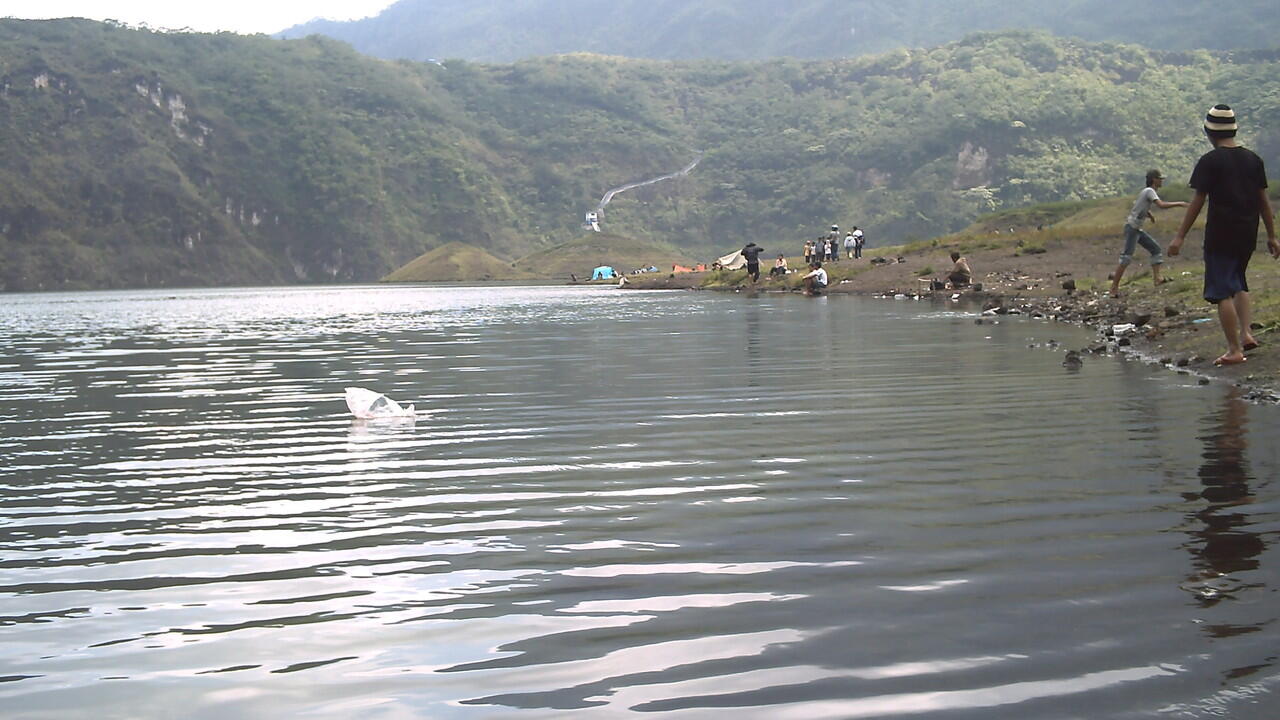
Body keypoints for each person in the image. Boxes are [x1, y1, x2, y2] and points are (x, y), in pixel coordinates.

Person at [1169, 104, 1279, 366]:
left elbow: (1197, 201)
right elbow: (1264, 201)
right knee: (1239, 282)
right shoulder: (1253, 159)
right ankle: (1246, 334)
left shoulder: (1210, 161)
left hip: (1221, 234)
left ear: (1209, 132)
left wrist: (1179, 236)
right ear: (1235, 129)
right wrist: (1272, 236)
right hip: (1247, 233)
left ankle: (1233, 349)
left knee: (1222, 291)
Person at [1108, 169, 1188, 297]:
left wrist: (1149, 214)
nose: (1162, 181)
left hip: (1136, 228)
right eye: (1160, 178)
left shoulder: (1146, 192)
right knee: (1126, 258)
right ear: (1154, 179)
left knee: (1155, 249)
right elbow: (1161, 205)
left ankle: (1157, 279)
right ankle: (1113, 288)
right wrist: (1179, 203)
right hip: (1133, 228)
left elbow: (1139, 205)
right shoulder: (1150, 191)